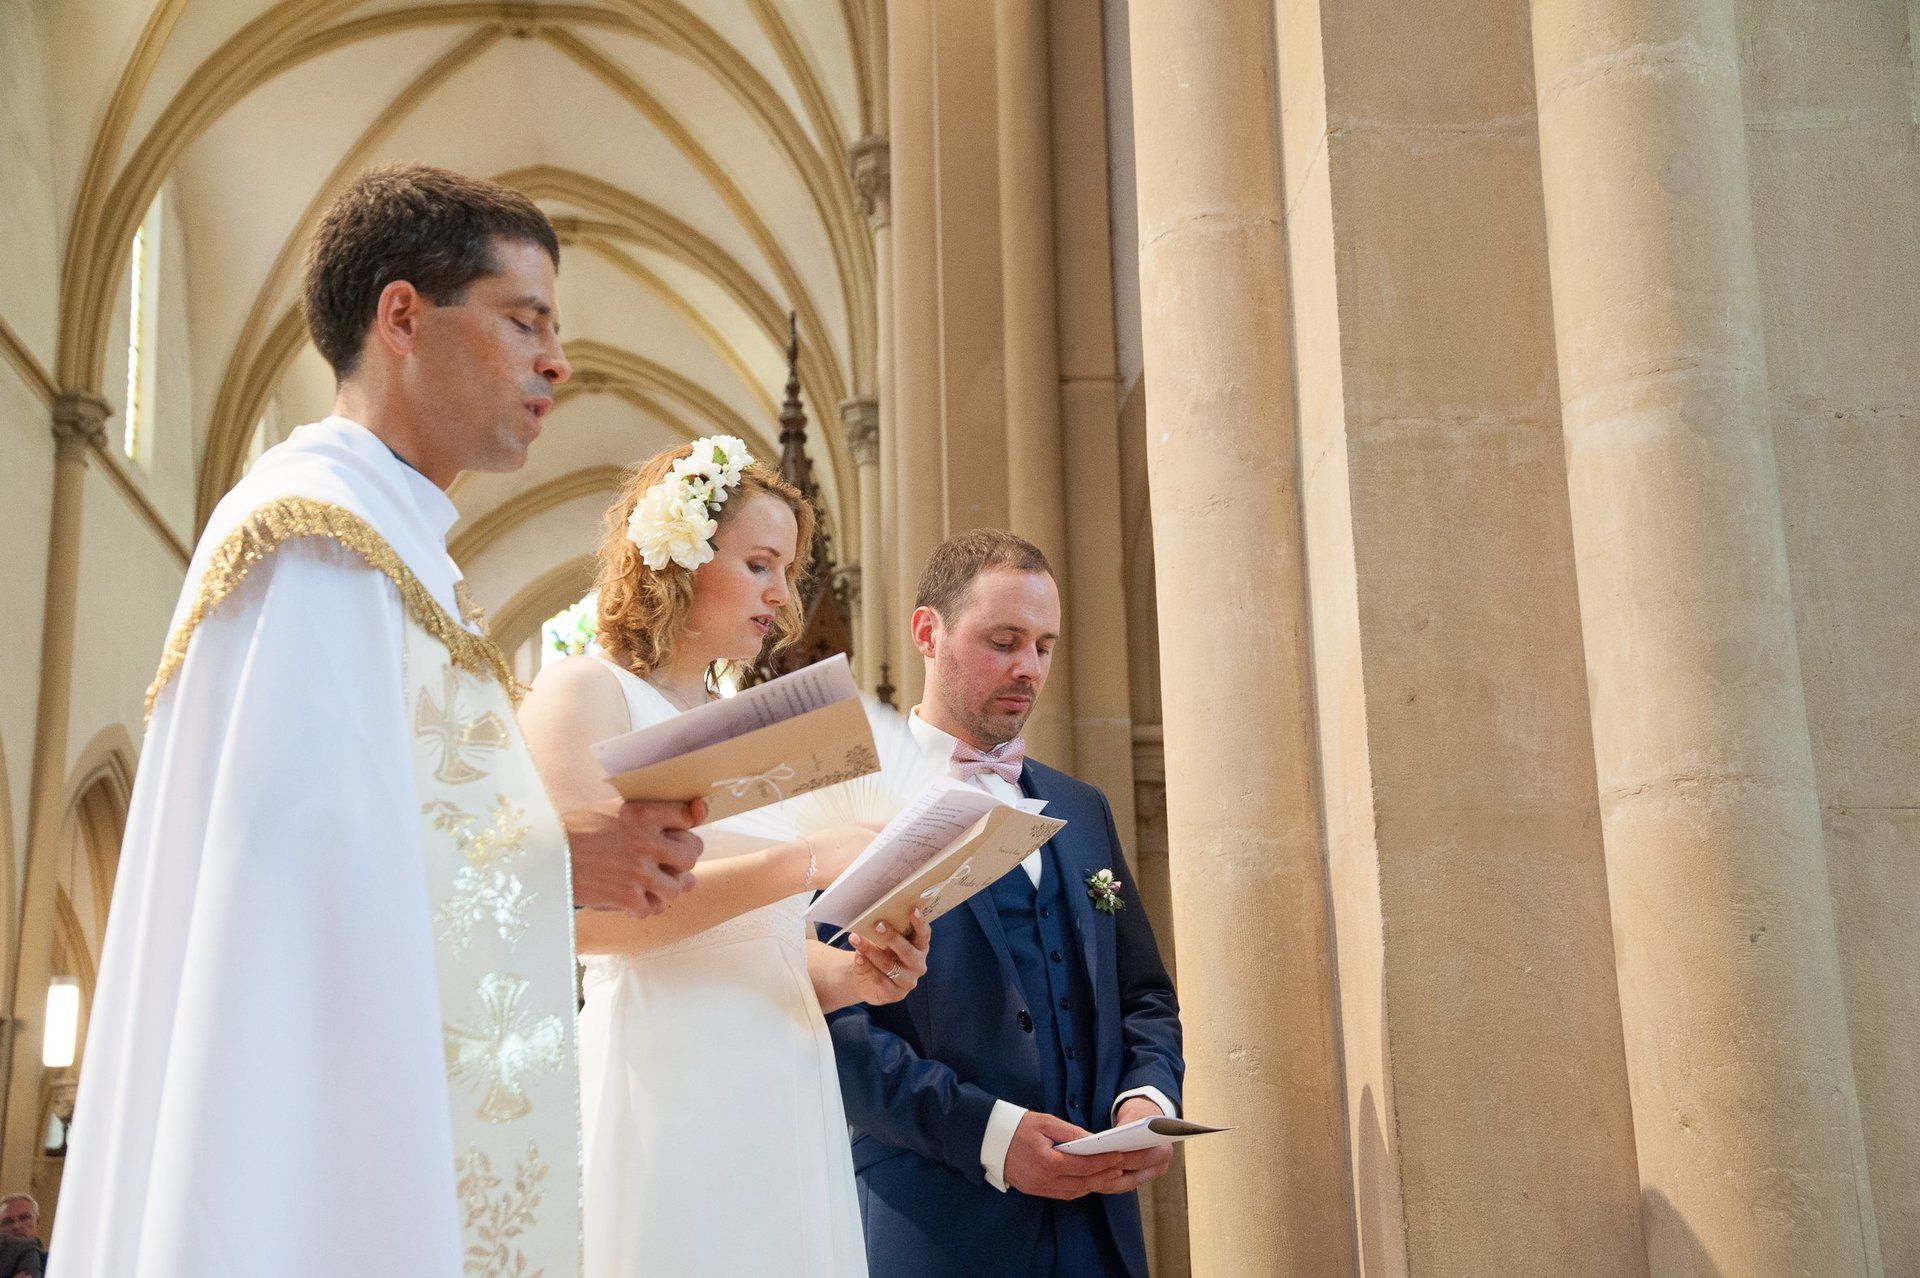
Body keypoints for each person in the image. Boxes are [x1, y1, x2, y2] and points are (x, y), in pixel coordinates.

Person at [52, 164, 706, 1277]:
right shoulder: (314, 537)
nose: (556, 359)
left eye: (557, 328)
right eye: (524, 320)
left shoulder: (393, 549)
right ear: (402, 316)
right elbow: (292, 880)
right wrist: (556, 859)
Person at [517, 439, 932, 1278]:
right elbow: (590, 922)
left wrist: (857, 976)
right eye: (760, 564)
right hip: (667, 1081)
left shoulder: (745, 717)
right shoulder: (582, 692)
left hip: (783, 1082)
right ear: (681, 557)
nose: (783, 597)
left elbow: (759, 940)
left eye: (788, 570)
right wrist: (808, 858)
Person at [824, 530, 1185, 1278]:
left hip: (1099, 1235)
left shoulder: (1082, 809)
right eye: (1004, 640)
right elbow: (834, 1030)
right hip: (937, 1233)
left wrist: (1144, 1101)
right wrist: (993, 1137)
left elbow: (1144, 994)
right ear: (928, 632)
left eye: (1045, 646)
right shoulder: (852, 803)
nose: (1030, 668)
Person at [0, 1196, 44, 1278]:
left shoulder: (55, 1264)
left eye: (24, 1218)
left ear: (37, 1222)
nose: (16, 1226)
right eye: (7, 1222)